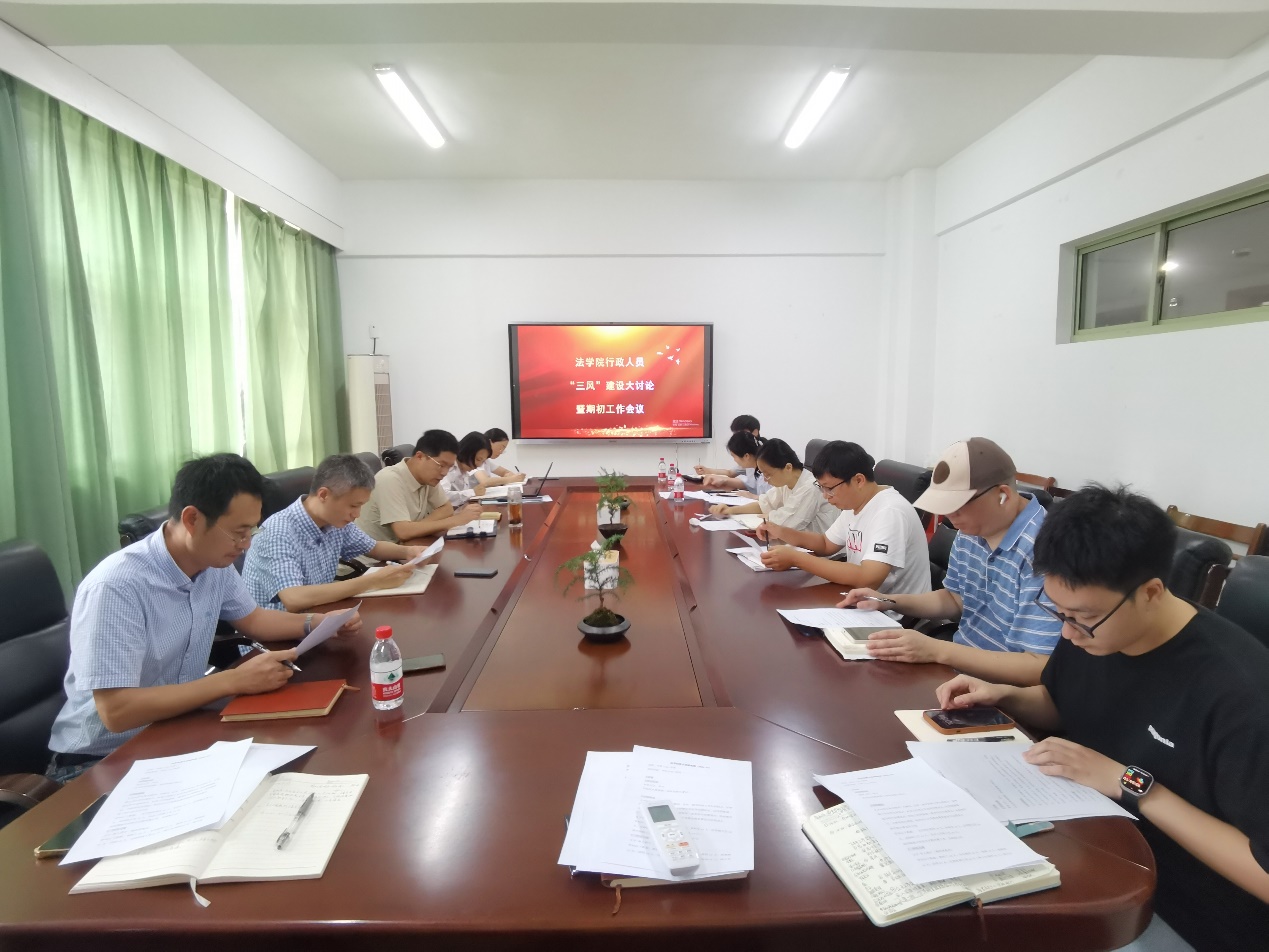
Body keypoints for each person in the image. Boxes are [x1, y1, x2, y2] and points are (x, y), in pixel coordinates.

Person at [935, 486, 1269, 952]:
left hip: (1180, 910)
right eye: (1058, 612)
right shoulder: (1093, 629)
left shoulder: (1242, 696)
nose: (1067, 633)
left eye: (1080, 617)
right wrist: (1006, 696)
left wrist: (1132, 784)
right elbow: (1064, 702)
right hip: (1087, 845)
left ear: (1150, 593)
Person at [46, 454, 362, 783]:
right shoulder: (116, 587)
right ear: (192, 519)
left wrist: (318, 623)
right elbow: (116, 711)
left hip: (174, 729)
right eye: (238, 532)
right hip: (100, 760)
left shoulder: (212, 563)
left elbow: (254, 620)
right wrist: (233, 680)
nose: (246, 545)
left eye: (251, 530)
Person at [838, 437, 1060, 684]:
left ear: (1002, 496)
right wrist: (887, 601)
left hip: (1005, 690)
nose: (950, 517)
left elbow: (1039, 666)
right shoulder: (972, 530)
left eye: (957, 506)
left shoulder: (1047, 552)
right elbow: (955, 599)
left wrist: (937, 650)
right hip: (959, 672)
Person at [242, 454, 433, 611]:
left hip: (318, 616)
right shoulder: (278, 532)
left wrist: (409, 552)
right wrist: (372, 581)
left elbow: (373, 548)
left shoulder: (334, 521)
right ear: (324, 495)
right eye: (353, 506)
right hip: (276, 636)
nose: (357, 514)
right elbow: (294, 598)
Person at [757, 441, 932, 597]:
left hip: (894, 614)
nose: (825, 496)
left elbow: (868, 579)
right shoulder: (855, 503)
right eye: (821, 487)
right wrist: (780, 531)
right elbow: (826, 544)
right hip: (862, 599)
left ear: (859, 480)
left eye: (829, 488)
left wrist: (796, 559)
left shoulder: (890, 511)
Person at [356, 429, 484, 544]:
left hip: (406, 547)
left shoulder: (429, 477)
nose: (444, 473)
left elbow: (446, 508)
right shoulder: (390, 479)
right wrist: (456, 520)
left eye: (449, 467)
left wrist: (416, 528)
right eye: (441, 465)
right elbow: (403, 532)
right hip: (373, 559)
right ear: (420, 456)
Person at [709, 438, 837, 533]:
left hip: (821, 553)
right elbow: (764, 504)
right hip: (797, 544)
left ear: (788, 467)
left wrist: (769, 516)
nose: (765, 480)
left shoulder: (810, 487)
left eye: (768, 474)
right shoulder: (786, 482)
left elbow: (788, 522)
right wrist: (730, 510)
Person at [701, 430, 770, 495]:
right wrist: (726, 482)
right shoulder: (752, 468)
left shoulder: (767, 471)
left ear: (746, 456)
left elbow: (772, 500)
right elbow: (750, 485)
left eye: (734, 456)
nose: (734, 460)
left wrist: (754, 497)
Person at [696, 414, 762, 478]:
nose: (736, 437)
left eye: (740, 433)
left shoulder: (764, 455)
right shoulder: (746, 454)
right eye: (734, 433)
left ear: (755, 432)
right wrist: (707, 470)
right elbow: (731, 473)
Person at [440, 431, 493, 506]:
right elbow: (443, 496)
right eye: (478, 459)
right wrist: (472, 492)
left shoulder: (464, 470)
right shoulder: (449, 466)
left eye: (483, 461)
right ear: (466, 451)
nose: (478, 465)